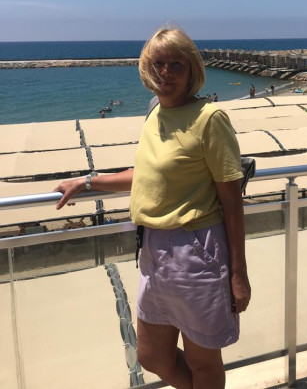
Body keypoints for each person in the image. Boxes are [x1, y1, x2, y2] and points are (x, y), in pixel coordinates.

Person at [54, 26, 251, 389]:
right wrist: (87, 182)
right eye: (158, 63)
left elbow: (232, 201)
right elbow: (143, 174)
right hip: (153, 250)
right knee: (152, 355)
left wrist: (238, 273)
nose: (165, 73)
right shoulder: (155, 113)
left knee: (202, 361)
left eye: (176, 65)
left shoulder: (209, 119)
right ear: (147, 68)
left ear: (192, 71)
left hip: (196, 250)